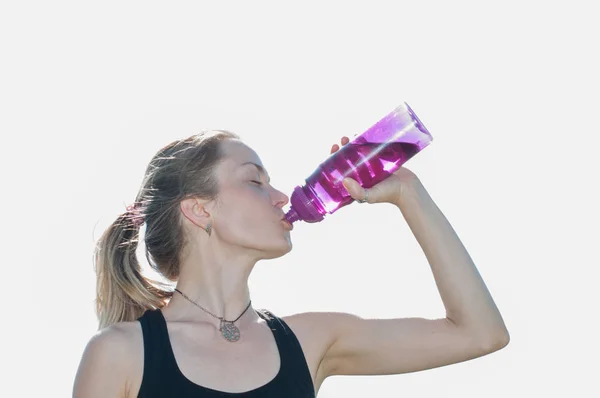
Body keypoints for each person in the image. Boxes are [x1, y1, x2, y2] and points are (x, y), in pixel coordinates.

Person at [73, 130, 509, 397]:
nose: (281, 197)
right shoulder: (121, 353)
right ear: (199, 210)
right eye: (254, 180)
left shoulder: (308, 342)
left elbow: (480, 333)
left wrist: (408, 194)